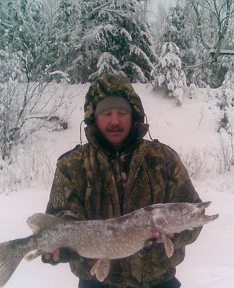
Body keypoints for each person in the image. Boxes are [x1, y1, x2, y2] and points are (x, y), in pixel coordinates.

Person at [42, 73, 202, 288]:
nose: (115, 121)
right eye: (107, 113)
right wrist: (61, 247)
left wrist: (170, 237)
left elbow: (191, 217)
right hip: (96, 283)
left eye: (122, 113)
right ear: (93, 118)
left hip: (158, 281)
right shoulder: (72, 165)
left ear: (134, 115)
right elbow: (60, 216)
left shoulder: (163, 159)